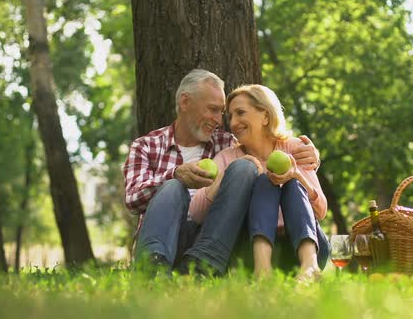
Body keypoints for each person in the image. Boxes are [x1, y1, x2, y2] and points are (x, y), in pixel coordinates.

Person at [123, 69, 319, 276]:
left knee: (244, 167)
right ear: (184, 102)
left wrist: (310, 157)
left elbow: (265, 151)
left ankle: (203, 265)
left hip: (211, 239)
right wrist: (175, 174)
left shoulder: (227, 143)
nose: (219, 120)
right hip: (167, 238)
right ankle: (152, 270)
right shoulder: (146, 146)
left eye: (221, 112)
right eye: (212, 109)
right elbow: (133, 198)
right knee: (172, 187)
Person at [189, 84, 330, 281]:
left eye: (240, 113)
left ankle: (310, 268)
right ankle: (262, 272)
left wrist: (296, 174)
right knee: (264, 181)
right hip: (252, 252)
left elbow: (321, 211)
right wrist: (226, 177)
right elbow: (195, 213)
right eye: (231, 116)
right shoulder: (228, 157)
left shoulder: (295, 148)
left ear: (265, 116)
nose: (234, 122)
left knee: (289, 183)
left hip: (303, 246)